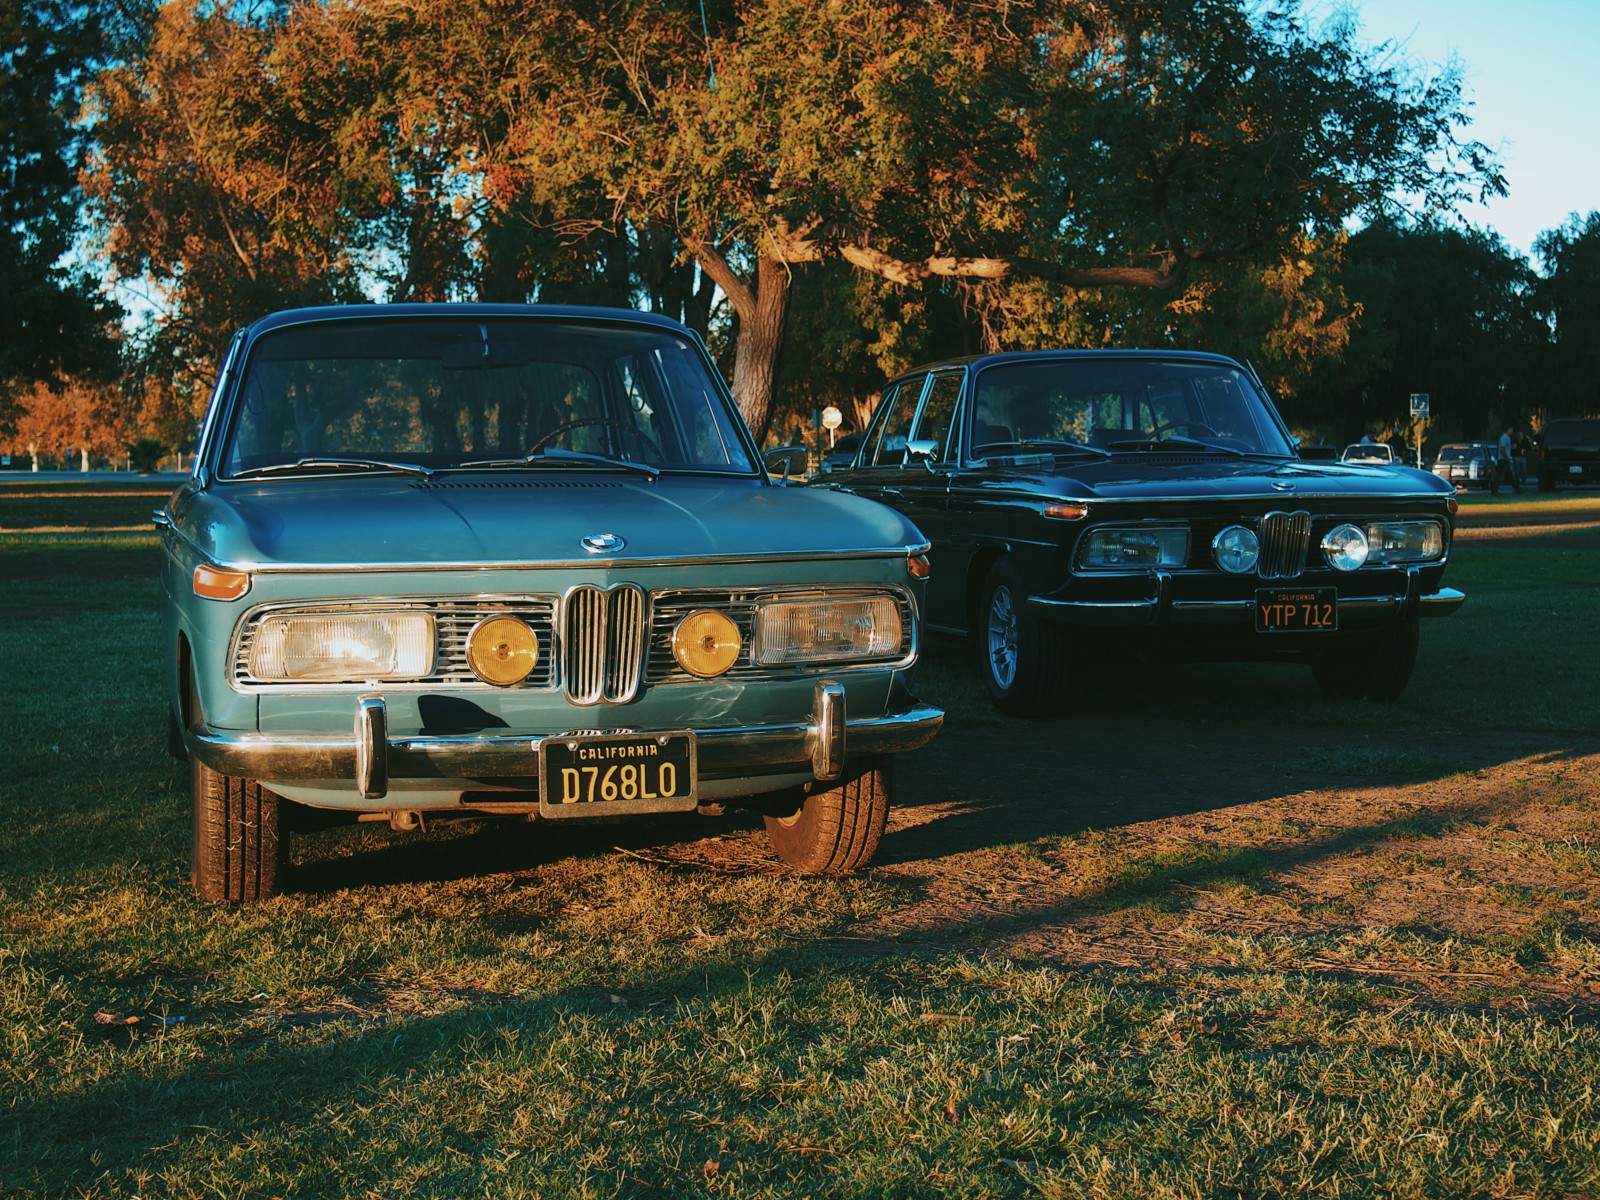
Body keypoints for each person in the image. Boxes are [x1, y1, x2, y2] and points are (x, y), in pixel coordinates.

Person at [1491, 424, 1522, 495]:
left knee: (1509, 475)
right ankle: (1494, 490)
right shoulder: (1505, 438)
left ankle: (1517, 489)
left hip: (1504, 459)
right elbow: (1502, 449)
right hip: (1503, 459)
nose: (1512, 431)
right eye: (1511, 429)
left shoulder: (1506, 438)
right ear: (1508, 429)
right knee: (1500, 475)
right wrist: (1505, 457)